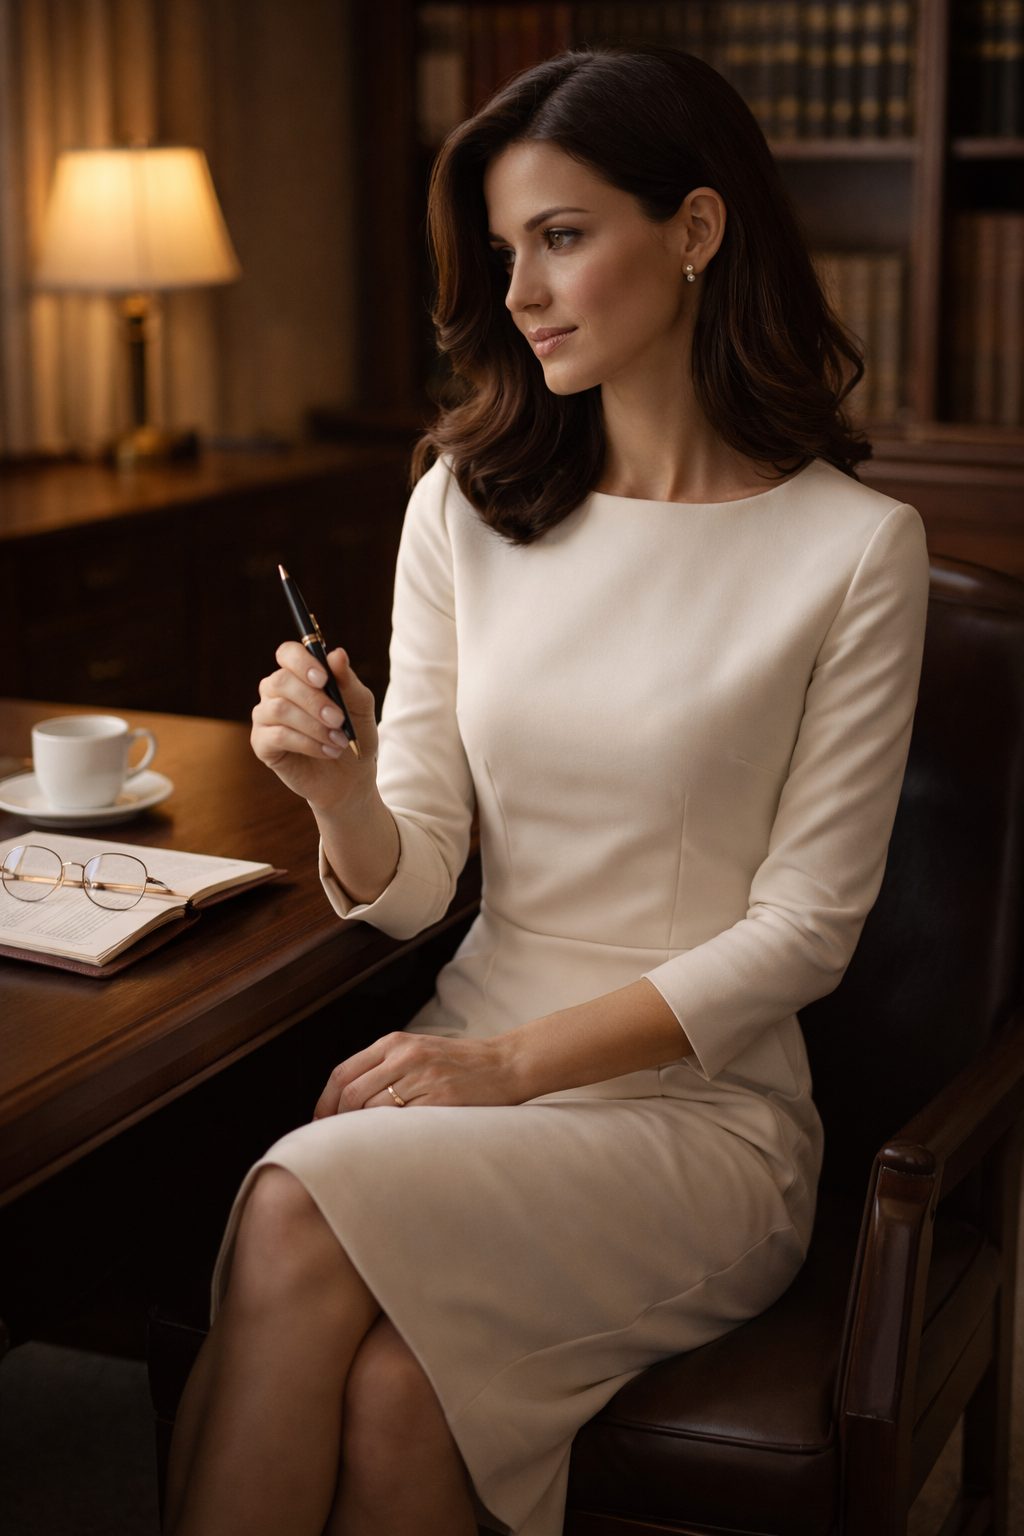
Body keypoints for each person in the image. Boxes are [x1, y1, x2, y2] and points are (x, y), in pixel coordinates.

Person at [164, 44, 929, 1536]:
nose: (518, 291)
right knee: (397, 1399)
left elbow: (805, 934)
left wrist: (505, 1070)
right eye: (507, 250)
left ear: (697, 233)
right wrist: (335, 789)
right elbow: (422, 873)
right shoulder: (465, 501)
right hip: (465, 1066)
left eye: (562, 236)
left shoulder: (855, 550)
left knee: (290, 1201)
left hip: (701, 1129)